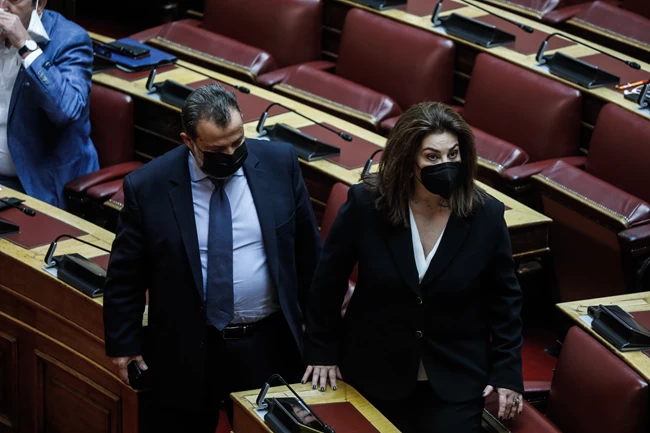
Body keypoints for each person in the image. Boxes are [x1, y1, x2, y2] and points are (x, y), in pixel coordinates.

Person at [103, 84, 321, 432]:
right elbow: (126, 275)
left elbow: (310, 256)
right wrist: (123, 344)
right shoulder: (149, 186)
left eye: (238, 142)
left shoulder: (280, 164)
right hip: (186, 345)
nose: (231, 154)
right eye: (218, 149)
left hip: (267, 343)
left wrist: (321, 341)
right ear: (188, 141)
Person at [303, 102, 524, 433]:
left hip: (455, 375)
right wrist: (321, 351)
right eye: (432, 157)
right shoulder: (367, 205)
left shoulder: (486, 215)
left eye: (453, 154)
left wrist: (507, 371)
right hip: (373, 368)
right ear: (408, 160)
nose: (445, 164)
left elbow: (505, 300)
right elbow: (328, 282)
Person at [0, 0, 98, 206]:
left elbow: (66, 111)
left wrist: (25, 45)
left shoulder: (70, 39)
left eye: (14, 0)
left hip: (37, 186)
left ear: (40, 4)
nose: (2, 6)